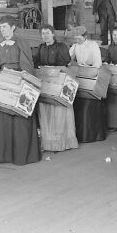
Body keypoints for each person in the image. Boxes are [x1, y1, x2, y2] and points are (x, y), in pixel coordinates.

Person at [0, 15, 41, 164]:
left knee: (19, 119)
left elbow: (27, 66)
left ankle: (22, 155)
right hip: (3, 86)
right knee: (4, 118)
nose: (2, 30)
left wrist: (21, 78)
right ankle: (4, 155)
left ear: (13, 27)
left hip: (19, 84)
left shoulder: (21, 43)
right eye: (0, 27)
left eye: (4, 27)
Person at [34, 24, 77, 152]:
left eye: (47, 33)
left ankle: (63, 142)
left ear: (53, 34)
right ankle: (49, 143)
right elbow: (36, 63)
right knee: (46, 112)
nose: (45, 36)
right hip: (46, 85)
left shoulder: (61, 46)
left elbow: (66, 62)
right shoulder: (41, 47)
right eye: (43, 33)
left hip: (59, 84)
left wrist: (53, 69)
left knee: (60, 112)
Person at [69, 26, 106, 143]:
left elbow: (98, 63)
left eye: (79, 37)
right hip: (81, 76)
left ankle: (94, 134)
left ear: (85, 36)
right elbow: (67, 58)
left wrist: (88, 68)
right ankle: (80, 133)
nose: (77, 40)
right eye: (75, 38)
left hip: (92, 76)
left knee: (89, 104)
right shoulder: (75, 46)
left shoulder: (93, 45)